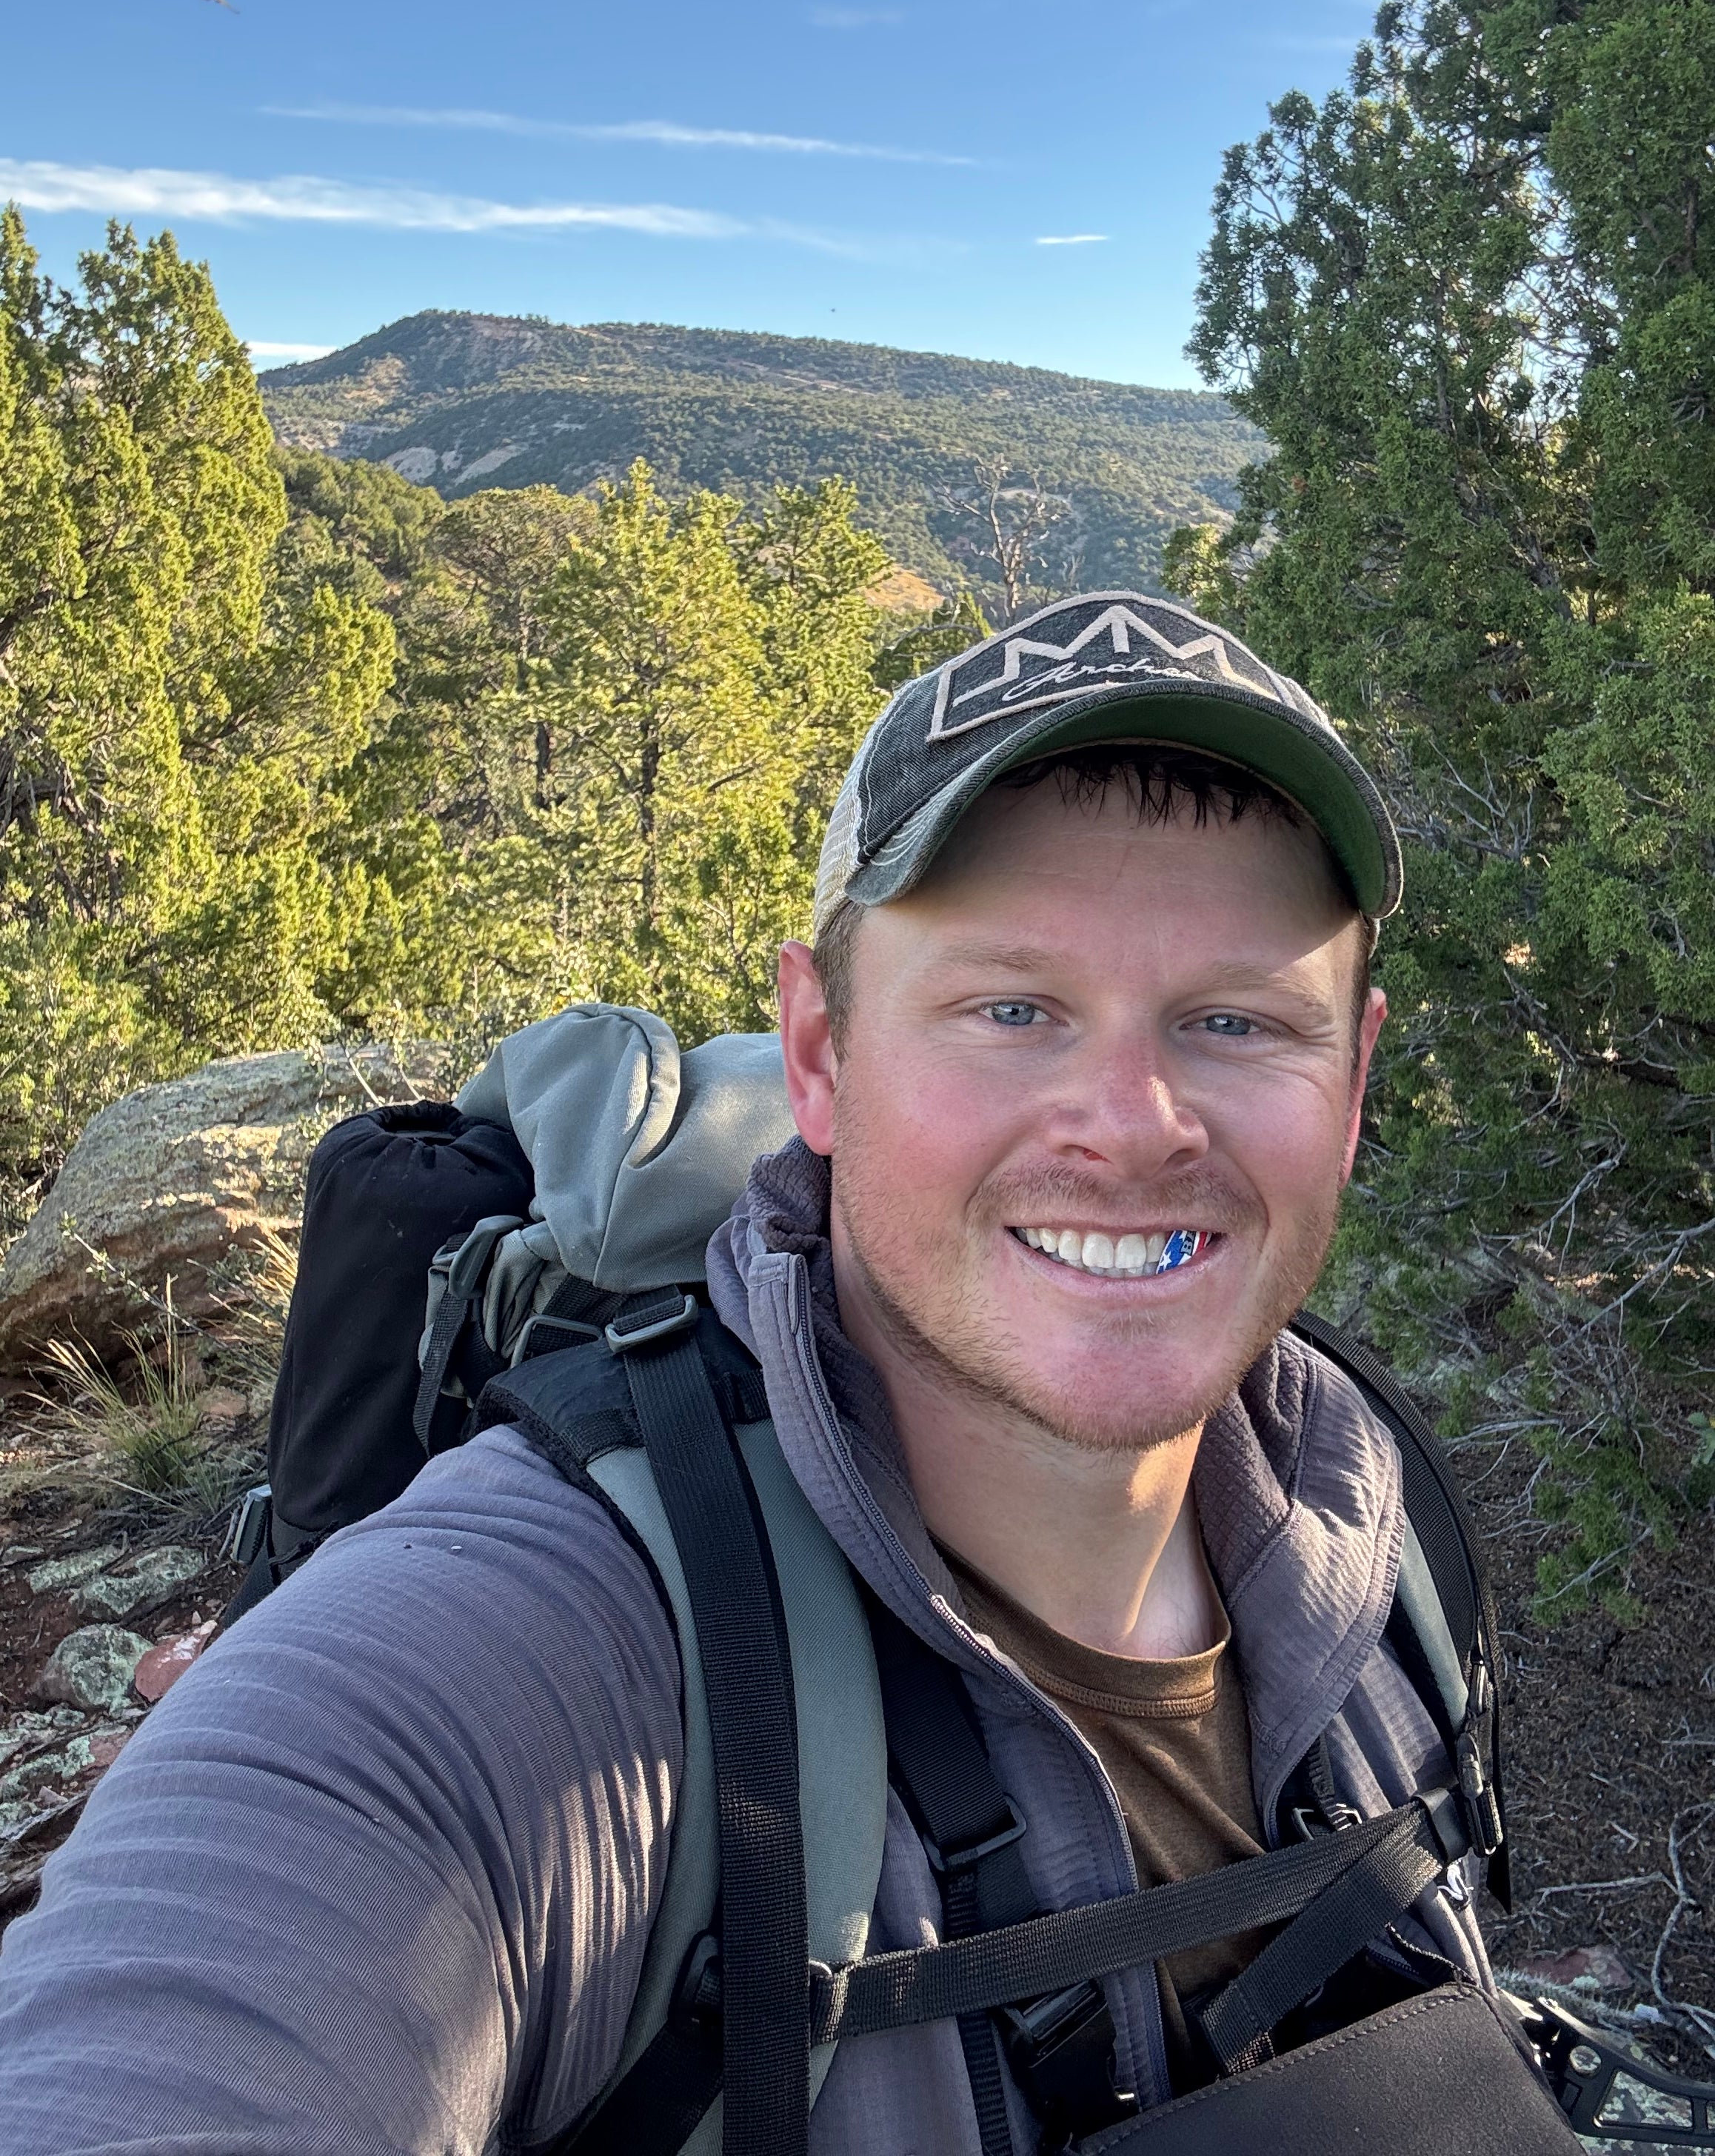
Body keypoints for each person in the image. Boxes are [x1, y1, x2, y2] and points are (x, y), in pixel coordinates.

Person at [0, 592, 1494, 2152]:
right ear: (820, 1057)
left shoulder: (1376, 1528)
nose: (1133, 1121)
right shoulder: (523, 1657)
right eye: (1012, 1008)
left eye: (1237, 1021)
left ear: (1352, 1082)